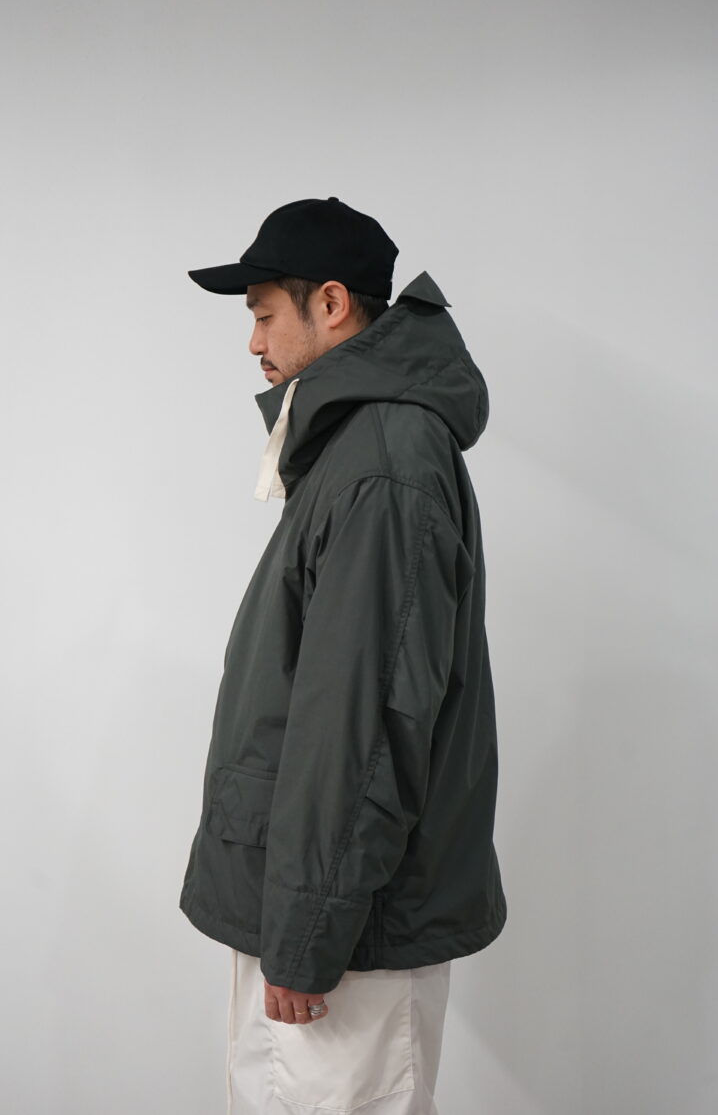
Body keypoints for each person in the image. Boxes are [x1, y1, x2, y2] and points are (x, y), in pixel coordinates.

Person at [180, 196, 507, 1114]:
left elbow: (360, 731)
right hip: (320, 920)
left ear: (330, 304)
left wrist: (307, 934)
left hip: (344, 942)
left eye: (263, 313)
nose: (253, 342)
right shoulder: (359, 450)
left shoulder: (384, 465)